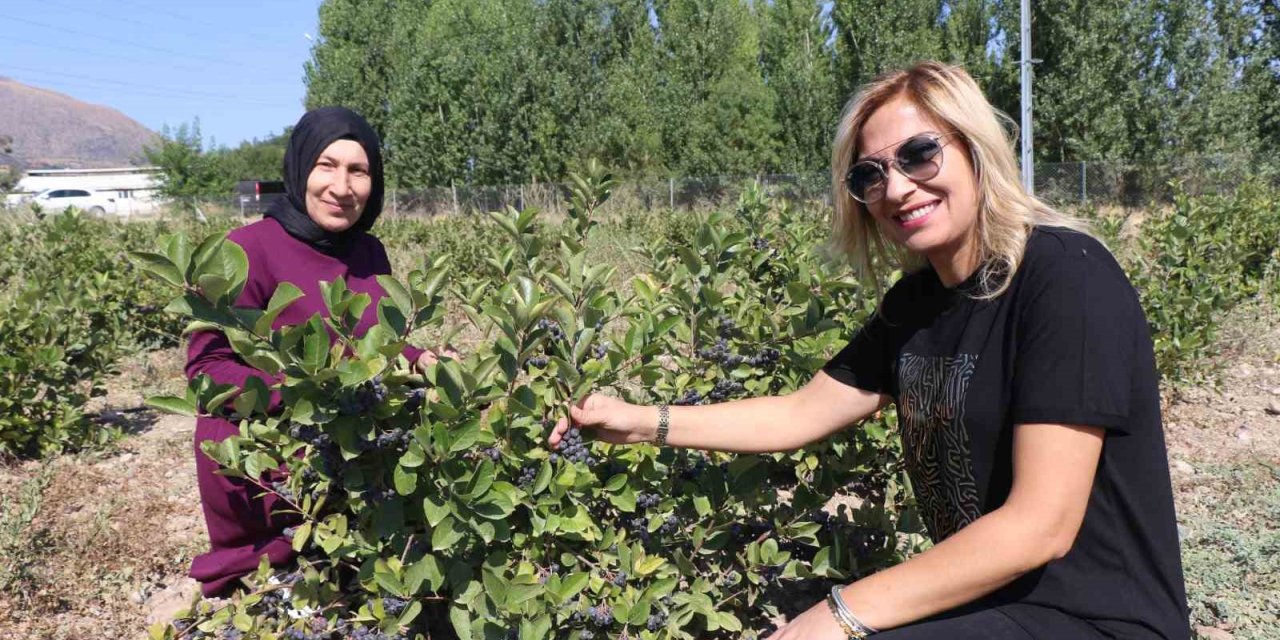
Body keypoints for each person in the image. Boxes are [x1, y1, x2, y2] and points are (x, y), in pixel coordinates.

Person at [549, 62, 1189, 639]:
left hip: (1093, 620)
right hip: (988, 607)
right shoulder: (917, 305)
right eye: (870, 174)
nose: (898, 187)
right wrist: (639, 422)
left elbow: (1039, 527)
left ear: (975, 150)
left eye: (919, 154)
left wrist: (836, 615)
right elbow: (799, 414)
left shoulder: (1065, 277)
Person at [185, 106, 449, 597]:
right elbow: (207, 372)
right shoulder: (245, 250)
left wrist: (418, 359)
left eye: (358, 171)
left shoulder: (368, 251)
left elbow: (378, 338)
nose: (341, 186)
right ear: (301, 167)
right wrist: (301, 392)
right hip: (274, 458)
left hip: (353, 450)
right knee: (280, 599)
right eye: (326, 165)